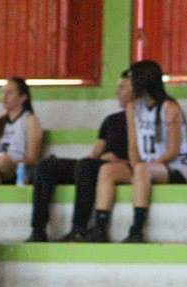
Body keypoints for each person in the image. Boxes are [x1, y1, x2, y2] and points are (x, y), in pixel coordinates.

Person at [89, 60, 187, 243]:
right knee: (106, 170)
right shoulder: (133, 107)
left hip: (173, 166)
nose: (129, 85)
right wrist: (135, 164)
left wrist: (143, 167)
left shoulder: (169, 108)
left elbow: (174, 149)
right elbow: (133, 144)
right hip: (143, 165)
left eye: (132, 80)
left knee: (142, 171)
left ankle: (136, 229)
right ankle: (100, 227)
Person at [26, 72, 131, 242]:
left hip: (120, 167)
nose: (117, 92)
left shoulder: (143, 120)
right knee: (47, 166)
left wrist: (118, 161)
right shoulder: (111, 120)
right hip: (99, 163)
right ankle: (38, 229)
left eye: (122, 87)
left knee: (87, 167)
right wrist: (95, 159)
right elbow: (94, 153)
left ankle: (79, 228)